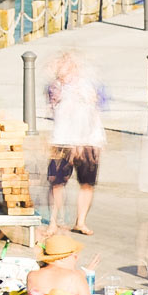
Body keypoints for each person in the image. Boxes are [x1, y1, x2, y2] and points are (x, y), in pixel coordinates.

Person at [46, 52, 106, 235]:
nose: (60, 72)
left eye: (64, 67)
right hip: (62, 140)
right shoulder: (55, 88)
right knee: (56, 183)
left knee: (86, 183)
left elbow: (91, 113)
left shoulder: (86, 87)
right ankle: (54, 221)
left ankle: (80, 221)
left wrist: (82, 143)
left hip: (88, 141)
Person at [24, 232, 97, 295]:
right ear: (62, 258)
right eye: (74, 256)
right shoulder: (76, 277)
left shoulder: (32, 275)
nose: (76, 259)